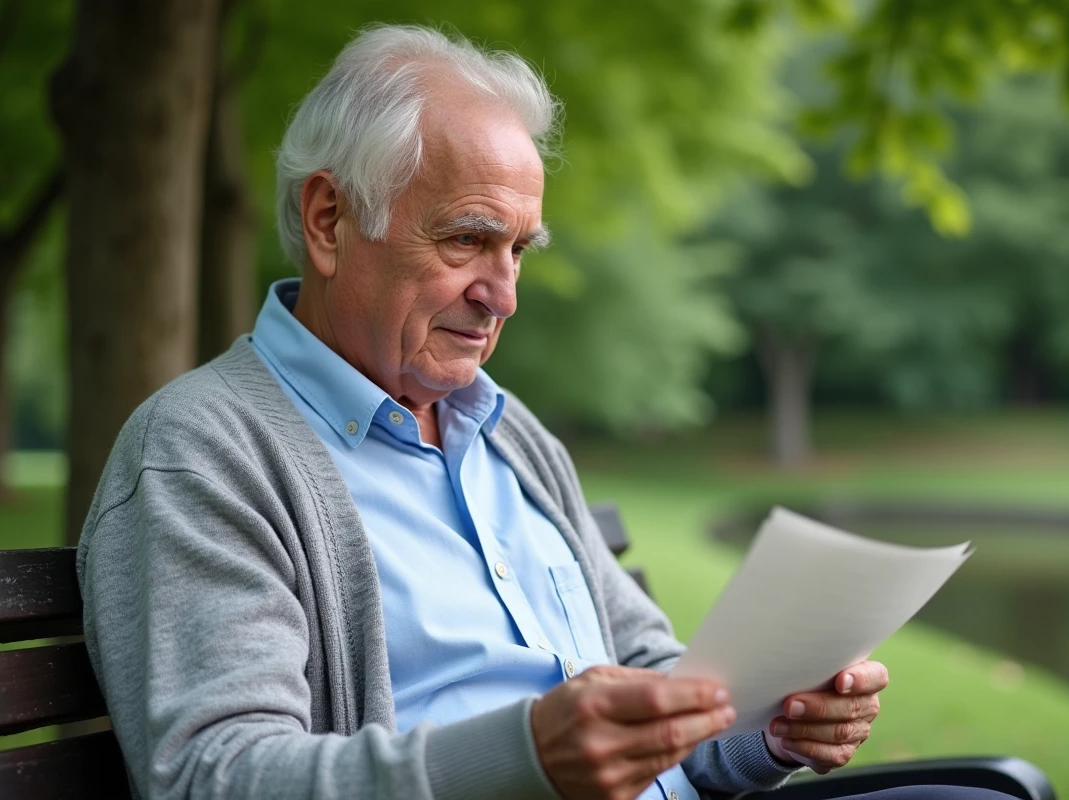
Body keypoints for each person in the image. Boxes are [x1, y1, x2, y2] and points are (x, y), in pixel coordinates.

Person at [78, 24, 1013, 800]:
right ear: (331, 220)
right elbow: (215, 778)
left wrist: (770, 725)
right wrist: (523, 759)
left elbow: (655, 676)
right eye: (469, 239)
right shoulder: (206, 451)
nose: (504, 294)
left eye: (520, 249)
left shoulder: (506, 431)